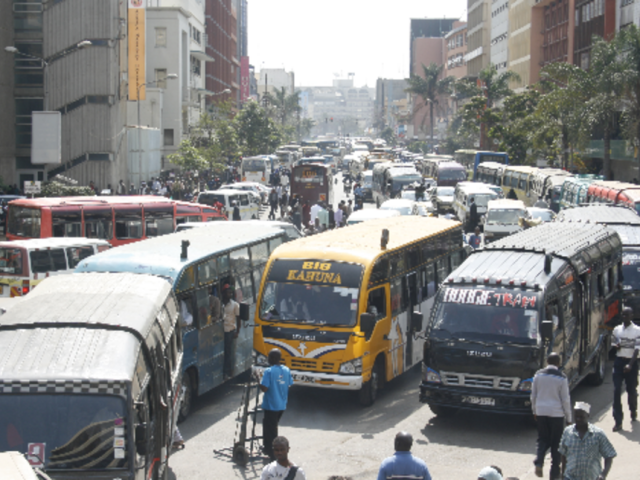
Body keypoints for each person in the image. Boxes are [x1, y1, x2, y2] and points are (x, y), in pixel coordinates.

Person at [531, 352, 571, 479]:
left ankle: (539, 461)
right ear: (558, 363)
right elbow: (565, 399)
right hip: (556, 414)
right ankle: (554, 473)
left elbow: (534, 396)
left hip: (541, 411)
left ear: (547, 362)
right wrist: (569, 418)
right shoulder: (562, 378)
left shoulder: (538, 375)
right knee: (556, 443)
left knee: (542, 439)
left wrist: (535, 411)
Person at [559, 402, 616, 480]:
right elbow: (563, 455)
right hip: (570, 477)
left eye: (581, 417)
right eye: (576, 416)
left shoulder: (598, 434)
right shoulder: (568, 432)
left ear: (588, 416)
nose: (578, 419)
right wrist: (562, 475)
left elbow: (609, 455)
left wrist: (603, 474)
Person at [260, 349, 293, 461]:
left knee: (272, 431)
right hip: (281, 405)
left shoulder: (269, 371)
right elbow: (289, 384)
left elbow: (264, 388)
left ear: (272, 359)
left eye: (269, 357)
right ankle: (267, 447)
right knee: (268, 425)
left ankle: (273, 453)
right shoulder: (286, 370)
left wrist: (258, 380)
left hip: (271, 405)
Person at [611, 306, 640, 431]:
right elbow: (613, 344)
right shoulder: (617, 330)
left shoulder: (637, 330)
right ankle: (618, 421)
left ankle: (633, 410)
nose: (624, 317)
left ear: (632, 316)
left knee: (631, 390)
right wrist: (616, 346)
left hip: (631, 363)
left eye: (627, 315)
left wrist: (630, 365)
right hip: (619, 362)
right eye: (623, 315)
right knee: (617, 390)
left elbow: (637, 349)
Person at [222, 285, 240, 379]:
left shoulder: (234, 305)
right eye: (229, 292)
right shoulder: (220, 304)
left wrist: (237, 331)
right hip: (221, 332)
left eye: (231, 292)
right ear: (224, 293)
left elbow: (238, 319)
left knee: (228, 352)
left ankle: (228, 372)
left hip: (229, 331)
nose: (230, 294)